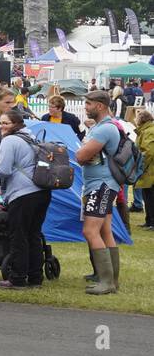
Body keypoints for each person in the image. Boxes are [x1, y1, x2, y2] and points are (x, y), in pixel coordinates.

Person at [0, 109, 53, 290]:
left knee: (18, 236)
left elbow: (4, 169)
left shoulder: (9, 141)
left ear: (16, 124)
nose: (1, 126)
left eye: (6, 123)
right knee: (34, 235)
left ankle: (18, 278)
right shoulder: (31, 138)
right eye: (0, 122)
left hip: (22, 194)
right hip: (42, 192)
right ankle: (35, 278)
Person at [74, 90, 125, 295]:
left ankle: (107, 282)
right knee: (105, 231)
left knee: (90, 231)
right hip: (103, 184)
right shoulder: (103, 127)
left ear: (100, 106)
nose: (85, 107)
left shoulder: (104, 129)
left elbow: (81, 155)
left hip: (101, 185)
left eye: (88, 103)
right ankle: (110, 278)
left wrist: (83, 152)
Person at [134, 109, 154, 231]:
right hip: (148, 170)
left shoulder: (148, 131)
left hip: (149, 170)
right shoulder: (146, 130)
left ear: (141, 119)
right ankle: (149, 221)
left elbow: (148, 152)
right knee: (147, 196)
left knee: (150, 196)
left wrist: (140, 167)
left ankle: (152, 222)